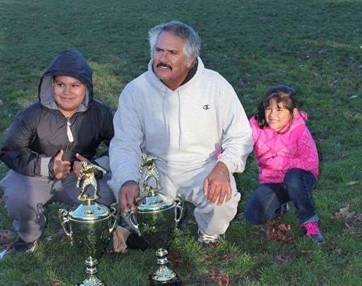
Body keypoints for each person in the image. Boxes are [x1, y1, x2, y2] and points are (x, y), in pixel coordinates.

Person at [108, 21, 253, 247]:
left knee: (221, 203)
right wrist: (128, 179)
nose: (162, 58)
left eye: (172, 52)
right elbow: (125, 143)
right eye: (158, 50)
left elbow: (241, 135)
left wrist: (223, 167)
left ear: (190, 60)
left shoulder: (215, 85)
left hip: (203, 165)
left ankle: (209, 233)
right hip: (154, 167)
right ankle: (152, 229)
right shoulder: (136, 91)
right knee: (127, 196)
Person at [0, 48, 114, 257]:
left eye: (75, 85)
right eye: (60, 84)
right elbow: (10, 151)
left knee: (109, 191)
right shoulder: (31, 115)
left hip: (80, 176)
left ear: (86, 87)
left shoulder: (100, 113)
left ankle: (93, 231)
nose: (67, 92)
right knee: (17, 195)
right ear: (51, 84)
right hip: (37, 176)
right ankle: (28, 236)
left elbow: (122, 146)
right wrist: (47, 166)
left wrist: (95, 166)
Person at [244, 85, 323, 243]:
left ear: (292, 113)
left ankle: (309, 221)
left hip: (301, 177)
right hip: (272, 180)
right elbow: (239, 143)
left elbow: (311, 162)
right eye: (269, 109)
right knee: (253, 217)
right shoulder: (255, 125)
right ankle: (280, 205)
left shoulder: (299, 129)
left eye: (279, 110)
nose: (272, 115)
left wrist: (277, 163)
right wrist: (221, 160)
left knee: (293, 178)